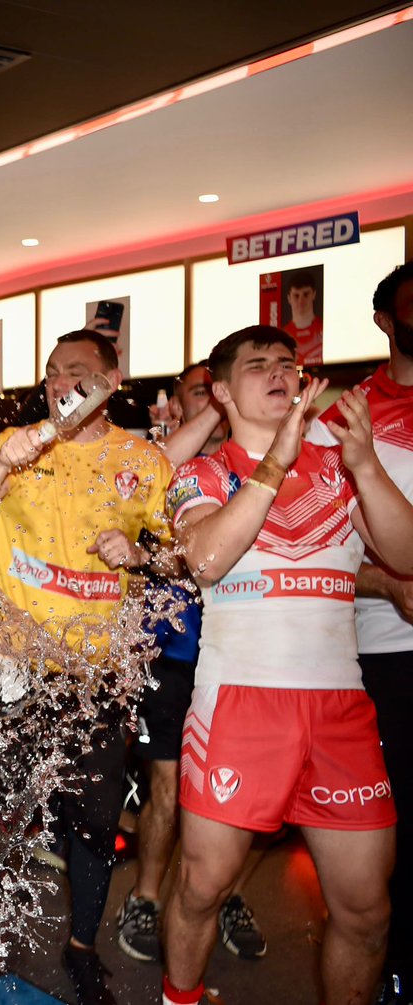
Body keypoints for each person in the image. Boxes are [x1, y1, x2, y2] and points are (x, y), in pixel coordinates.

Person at [160, 325, 413, 1005]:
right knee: (201, 886)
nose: (278, 372)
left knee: (367, 910)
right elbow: (207, 557)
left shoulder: (340, 465)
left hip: (340, 710)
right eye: (257, 364)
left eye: (287, 362)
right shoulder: (202, 473)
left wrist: (362, 464)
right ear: (219, 390)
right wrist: (276, 459)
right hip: (238, 706)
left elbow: (407, 556)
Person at [0, 330, 174, 1005]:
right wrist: (9, 457)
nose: (59, 382)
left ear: (112, 378)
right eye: (50, 372)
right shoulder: (20, 444)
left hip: (96, 676)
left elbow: (182, 557)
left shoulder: (143, 459)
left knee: (95, 822)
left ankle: (81, 947)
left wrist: (139, 557)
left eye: (76, 371)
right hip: (15, 667)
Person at [116, 364, 267, 964]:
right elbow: (135, 546)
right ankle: (148, 897)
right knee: (168, 785)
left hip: (244, 652)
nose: (214, 404)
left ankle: (224, 892)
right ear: (178, 405)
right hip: (170, 650)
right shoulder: (158, 466)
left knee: (253, 792)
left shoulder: (259, 466)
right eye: (199, 394)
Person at [306, 260, 413, 1003]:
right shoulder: (347, 416)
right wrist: (388, 584)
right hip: (385, 647)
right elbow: (319, 542)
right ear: (385, 319)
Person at [282, 270, 323, 365]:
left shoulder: (326, 330)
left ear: (314, 294)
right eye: (296, 295)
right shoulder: (282, 336)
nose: (301, 301)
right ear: (289, 298)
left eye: (306, 294)